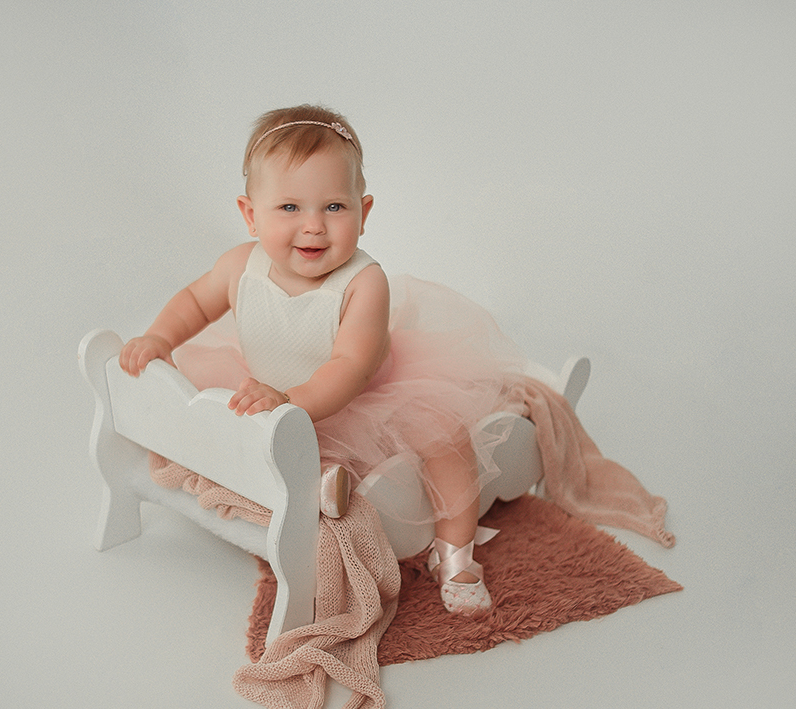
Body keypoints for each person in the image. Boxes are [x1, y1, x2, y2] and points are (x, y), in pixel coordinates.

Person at [119, 104, 540, 617]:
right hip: (275, 390)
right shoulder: (239, 266)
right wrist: (160, 336)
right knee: (227, 418)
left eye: (334, 207)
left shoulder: (364, 282)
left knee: (445, 439)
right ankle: (316, 489)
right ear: (251, 215)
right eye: (289, 208)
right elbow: (193, 302)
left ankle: (456, 555)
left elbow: (349, 367)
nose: (314, 227)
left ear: (364, 212)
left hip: (361, 394)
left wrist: (289, 399)